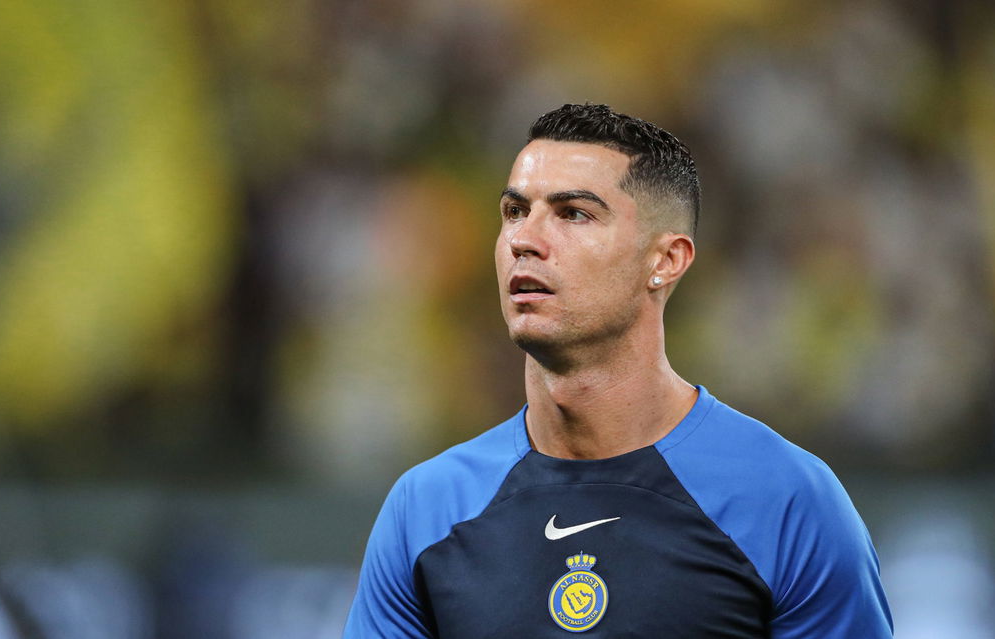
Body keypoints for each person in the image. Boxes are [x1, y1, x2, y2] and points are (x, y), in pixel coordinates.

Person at [343, 103, 893, 637]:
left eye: (573, 213)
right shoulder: (426, 510)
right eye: (514, 211)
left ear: (665, 261)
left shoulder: (788, 501)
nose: (523, 241)